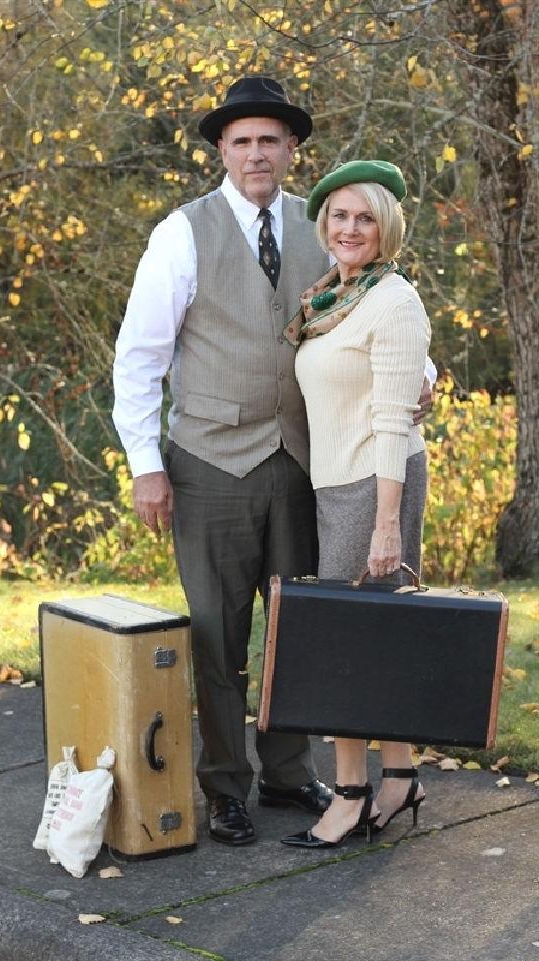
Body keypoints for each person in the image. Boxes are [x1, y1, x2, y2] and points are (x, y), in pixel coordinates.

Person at [113, 80, 430, 846]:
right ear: (223, 150)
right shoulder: (181, 234)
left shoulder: (323, 227)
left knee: (303, 628)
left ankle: (290, 771)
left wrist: (417, 377)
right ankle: (227, 786)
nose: (257, 153)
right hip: (210, 462)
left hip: (304, 464)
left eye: (271, 140)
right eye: (242, 140)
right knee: (221, 636)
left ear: (292, 151)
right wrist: (145, 463)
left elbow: (369, 306)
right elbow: (140, 356)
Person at [280, 160, 431, 850]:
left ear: (386, 227)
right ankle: (399, 777)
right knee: (379, 636)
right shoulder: (335, 296)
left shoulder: (392, 299)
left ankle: (349, 796)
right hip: (339, 483)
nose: (349, 228)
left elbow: (396, 418)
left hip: (375, 484)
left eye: (364, 217)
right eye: (339, 216)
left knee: (345, 642)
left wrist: (385, 523)